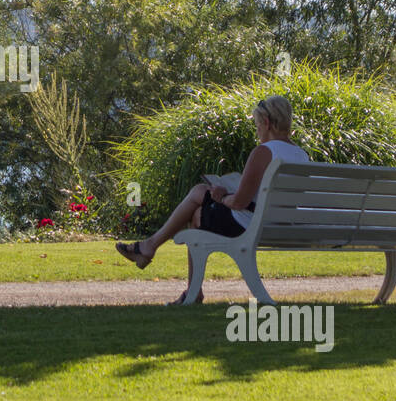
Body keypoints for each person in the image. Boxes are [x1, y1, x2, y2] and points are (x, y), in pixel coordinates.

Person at [115, 95, 310, 304]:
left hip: (250, 225)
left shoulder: (264, 152)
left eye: (257, 125)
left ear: (267, 123)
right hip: (279, 225)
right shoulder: (301, 155)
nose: (257, 130)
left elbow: (239, 203)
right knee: (198, 214)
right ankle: (186, 285)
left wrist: (222, 196)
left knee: (201, 191)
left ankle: (151, 248)